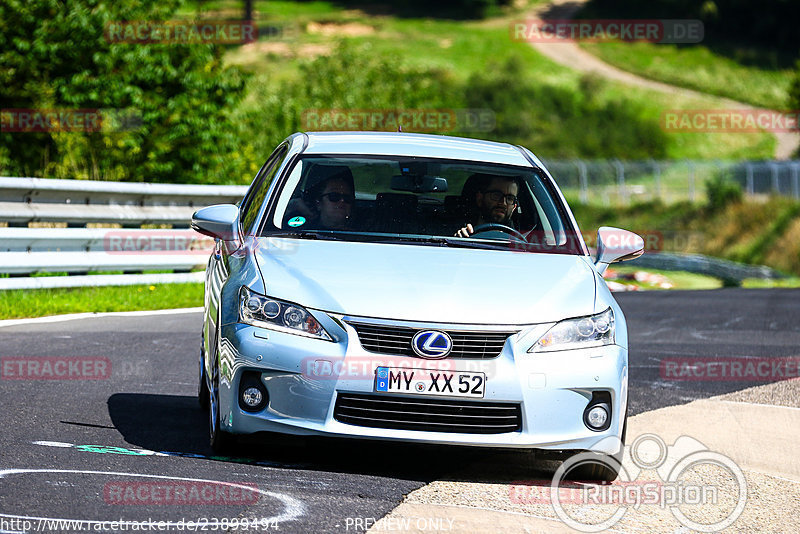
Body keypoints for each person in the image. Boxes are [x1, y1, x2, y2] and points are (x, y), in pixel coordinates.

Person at [285, 166, 356, 230]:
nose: (342, 201)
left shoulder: (360, 237)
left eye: (347, 198)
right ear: (318, 203)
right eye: (334, 196)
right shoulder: (301, 230)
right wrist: (293, 204)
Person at [455, 174, 520, 238]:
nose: (503, 203)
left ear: (514, 207)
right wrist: (460, 240)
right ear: (480, 198)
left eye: (510, 198)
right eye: (496, 195)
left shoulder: (521, 243)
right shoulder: (461, 231)